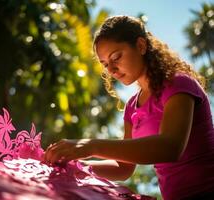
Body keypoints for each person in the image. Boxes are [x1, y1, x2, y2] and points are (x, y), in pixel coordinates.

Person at [44, 15, 214, 200]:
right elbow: (123, 168)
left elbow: (171, 147)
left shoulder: (178, 83)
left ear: (141, 46)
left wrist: (90, 146)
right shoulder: (132, 107)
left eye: (116, 57)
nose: (111, 70)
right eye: (105, 64)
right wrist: (73, 165)